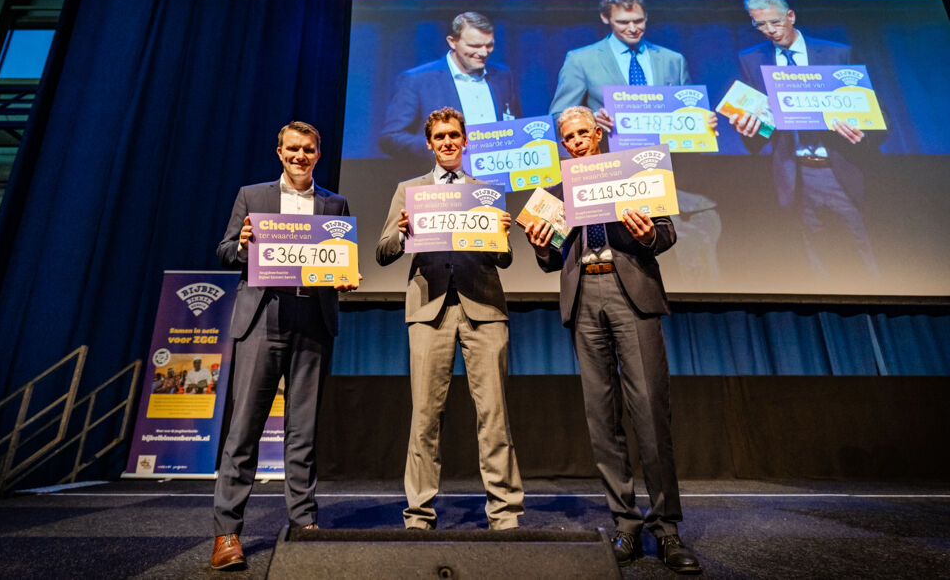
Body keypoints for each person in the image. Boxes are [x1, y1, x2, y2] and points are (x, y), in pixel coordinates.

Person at [523, 106, 701, 574]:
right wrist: (542, 245)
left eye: (583, 133)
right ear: (563, 144)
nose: (577, 141)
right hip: (583, 297)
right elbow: (550, 259)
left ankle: (667, 529)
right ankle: (625, 523)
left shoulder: (634, 176)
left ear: (598, 134)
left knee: (650, 413)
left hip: (630, 295)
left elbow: (666, 234)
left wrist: (648, 234)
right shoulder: (555, 193)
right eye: (569, 137)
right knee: (602, 417)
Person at [210, 121, 359, 571]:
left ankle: (303, 523)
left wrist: (344, 276)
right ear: (279, 152)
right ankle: (227, 532)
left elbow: (338, 259)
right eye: (292, 148)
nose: (300, 156)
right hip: (263, 317)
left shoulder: (334, 204)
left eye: (308, 149)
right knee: (244, 428)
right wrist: (242, 246)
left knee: (303, 429)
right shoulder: (252, 196)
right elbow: (224, 252)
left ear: (318, 154)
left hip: (313, 318)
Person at [376, 106, 524, 530]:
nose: (447, 143)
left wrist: (501, 234)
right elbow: (383, 251)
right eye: (439, 137)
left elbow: (504, 259)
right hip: (429, 310)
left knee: (494, 415)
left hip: (484, 309)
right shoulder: (409, 191)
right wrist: (402, 231)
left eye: (453, 136)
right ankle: (419, 514)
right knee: (424, 416)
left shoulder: (485, 191)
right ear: (429, 143)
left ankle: (505, 513)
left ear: (465, 141)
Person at [548, 0, 720, 284]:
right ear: (606, 19)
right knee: (628, 264)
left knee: (681, 263)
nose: (632, 28)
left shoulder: (672, 60)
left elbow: (687, 113)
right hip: (612, 180)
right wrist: (591, 119)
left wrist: (702, 123)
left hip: (665, 175)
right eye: (623, 22)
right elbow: (557, 118)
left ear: (646, 17)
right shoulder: (581, 59)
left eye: (638, 21)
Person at [730, 0, 880, 277]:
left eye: (775, 22)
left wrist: (862, 129)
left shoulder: (837, 53)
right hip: (795, 173)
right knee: (813, 262)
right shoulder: (752, 60)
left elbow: (878, 114)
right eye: (760, 25)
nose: (769, 30)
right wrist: (748, 127)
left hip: (840, 168)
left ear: (791, 16)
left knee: (864, 252)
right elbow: (761, 130)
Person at [379, 12, 523, 159]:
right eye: (475, 45)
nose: (483, 52)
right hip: (443, 172)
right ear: (452, 42)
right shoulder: (417, 80)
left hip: (498, 171)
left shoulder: (502, 76)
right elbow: (391, 138)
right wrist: (440, 148)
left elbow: (515, 126)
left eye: (489, 45)